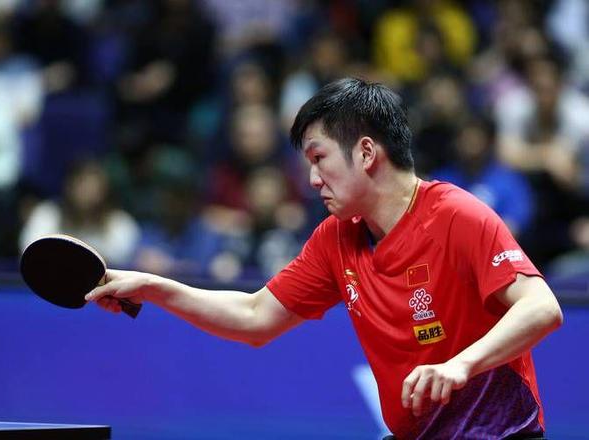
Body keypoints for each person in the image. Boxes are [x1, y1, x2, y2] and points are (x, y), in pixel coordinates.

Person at [85, 78, 563, 439]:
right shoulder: (337, 238)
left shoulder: (456, 215)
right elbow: (255, 317)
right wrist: (155, 287)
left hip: (499, 434)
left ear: (366, 152)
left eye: (319, 158)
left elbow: (542, 307)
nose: (313, 179)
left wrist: (460, 365)